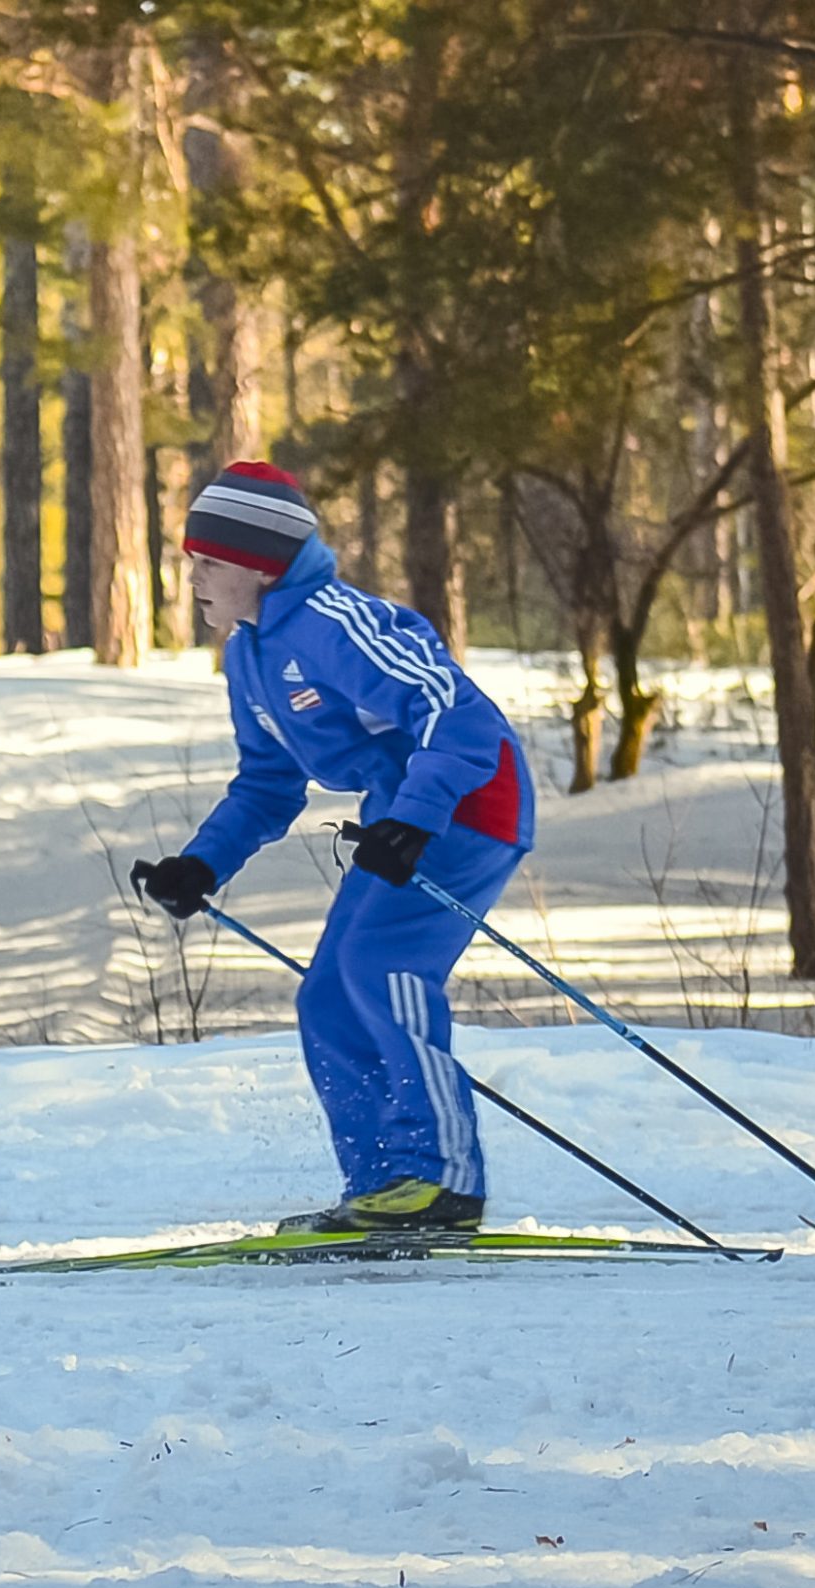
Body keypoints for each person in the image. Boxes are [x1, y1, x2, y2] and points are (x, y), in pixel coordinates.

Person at [130, 462, 535, 1234]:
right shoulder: (247, 655)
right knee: (326, 992)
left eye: (208, 561)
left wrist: (415, 819)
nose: (194, 579)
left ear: (258, 564)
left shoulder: (332, 623)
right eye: (192, 561)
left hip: (473, 803)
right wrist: (202, 862)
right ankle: (384, 1184)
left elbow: (460, 714)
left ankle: (442, 1180)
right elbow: (269, 783)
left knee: (382, 966)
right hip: (403, 811)